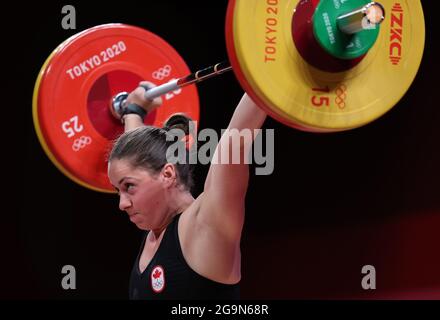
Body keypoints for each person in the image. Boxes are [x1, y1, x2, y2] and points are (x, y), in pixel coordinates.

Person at [107, 82, 267, 299]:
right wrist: (133, 111)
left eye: (129, 187)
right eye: (119, 190)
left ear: (168, 175)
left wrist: (265, 76)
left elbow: (235, 142)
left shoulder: (206, 226)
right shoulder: (156, 226)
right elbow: (138, 161)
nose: (122, 203)